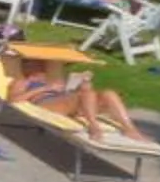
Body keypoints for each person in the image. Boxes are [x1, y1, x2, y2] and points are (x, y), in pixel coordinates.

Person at [8, 54, 148, 143]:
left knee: (108, 93)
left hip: (66, 101)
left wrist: (83, 83)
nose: (36, 66)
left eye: (39, 63)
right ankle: (94, 127)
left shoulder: (50, 78)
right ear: (25, 66)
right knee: (86, 94)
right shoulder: (22, 81)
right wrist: (45, 89)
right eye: (31, 63)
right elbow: (13, 100)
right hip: (46, 103)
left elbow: (70, 94)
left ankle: (130, 129)